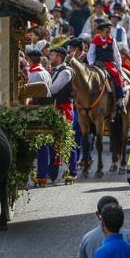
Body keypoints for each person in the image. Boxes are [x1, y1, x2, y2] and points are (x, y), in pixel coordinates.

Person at [36, 47, 76, 184]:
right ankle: (54, 171)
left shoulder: (65, 72)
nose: (50, 57)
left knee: (66, 138)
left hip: (64, 108)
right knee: (54, 140)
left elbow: (53, 89)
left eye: (52, 55)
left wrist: (37, 89)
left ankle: (71, 171)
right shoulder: (56, 71)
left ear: (59, 57)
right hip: (56, 107)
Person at [87, 21, 126, 110]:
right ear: (100, 32)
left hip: (110, 64)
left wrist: (119, 68)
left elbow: (117, 55)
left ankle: (121, 99)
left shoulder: (112, 40)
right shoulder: (95, 41)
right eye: (106, 32)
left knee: (116, 76)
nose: (109, 34)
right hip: (98, 64)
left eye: (109, 32)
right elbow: (90, 54)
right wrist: (91, 64)